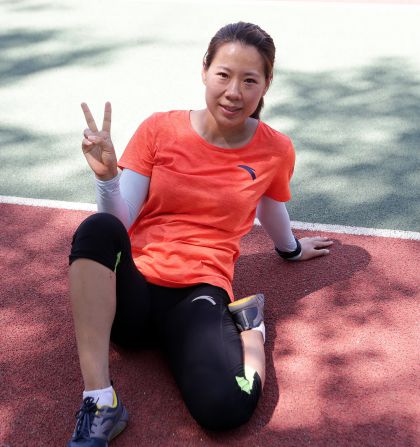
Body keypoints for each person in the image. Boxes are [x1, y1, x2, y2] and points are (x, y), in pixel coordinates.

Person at [67, 21, 333, 446]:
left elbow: (270, 205)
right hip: (133, 292)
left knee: (226, 409)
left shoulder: (275, 149)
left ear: (266, 84)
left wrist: (291, 248)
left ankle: (252, 329)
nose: (234, 92)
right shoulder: (159, 129)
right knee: (97, 228)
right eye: (224, 75)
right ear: (205, 70)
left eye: (250, 80)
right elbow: (121, 221)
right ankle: (100, 401)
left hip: (198, 293)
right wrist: (106, 180)